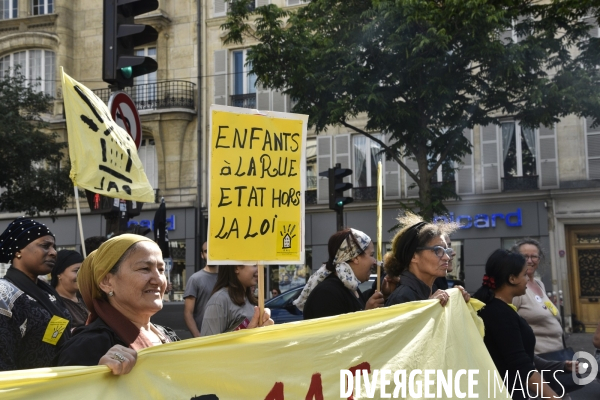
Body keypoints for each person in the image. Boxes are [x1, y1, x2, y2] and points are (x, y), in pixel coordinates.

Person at [56, 234, 179, 375]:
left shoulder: (166, 334)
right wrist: (96, 373)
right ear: (106, 282)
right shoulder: (90, 345)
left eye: (161, 270)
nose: (158, 280)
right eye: (145, 268)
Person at [473, 249, 565, 400]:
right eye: (524, 275)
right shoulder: (499, 313)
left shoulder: (497, 308)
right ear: (512, 279)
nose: (527, 279)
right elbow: (520, 364)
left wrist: (559, 366)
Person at [511, 238, 582, 395]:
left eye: (534, 256)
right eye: (525, 256)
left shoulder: (539, 284)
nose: (530, 261)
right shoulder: (516, 287)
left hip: (557, 357)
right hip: (538, 363)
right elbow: (509, 326)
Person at [0, 217, 72, 371]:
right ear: (18, 250)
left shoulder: (47, 292)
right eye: (45, 246)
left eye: (54, 247)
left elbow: (52, 339)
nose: (53, 253)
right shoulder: (4, 294)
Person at [295, 228, 384, 320]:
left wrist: (384, 293)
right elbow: (336, 333)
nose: (375, 262)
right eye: (371, 255)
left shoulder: (350, 288)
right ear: (355, 257)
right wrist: (366, 315)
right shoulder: (327, 294)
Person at [385, 213, 469, 307]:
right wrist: (429, 307)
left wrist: (456, 301)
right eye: (438, 250)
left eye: (446, 250)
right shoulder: (402, 298)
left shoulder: (430, 291)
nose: (447, 257)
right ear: (413, 256)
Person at [201, 265, 274, 336]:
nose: (259, 269)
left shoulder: (251, 300)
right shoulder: (218, 301)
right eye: (254, 265)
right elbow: (208, 346)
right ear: (236, 268)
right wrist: (249, 335)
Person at [183, 241, 218, 337]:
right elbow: (188, 313)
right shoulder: (195, 279)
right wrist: (197, 336)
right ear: (202, 255)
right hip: (204, 336)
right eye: (206, 251)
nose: (210, 255)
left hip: (224, 336)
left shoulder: (226, 279)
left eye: (213, 251)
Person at [51, 250, 89, 329]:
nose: (81, 275)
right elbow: (54, 338)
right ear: (59, 274)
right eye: (76, 271)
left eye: (83, 271)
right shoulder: (55, 305)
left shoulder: (86, 300)